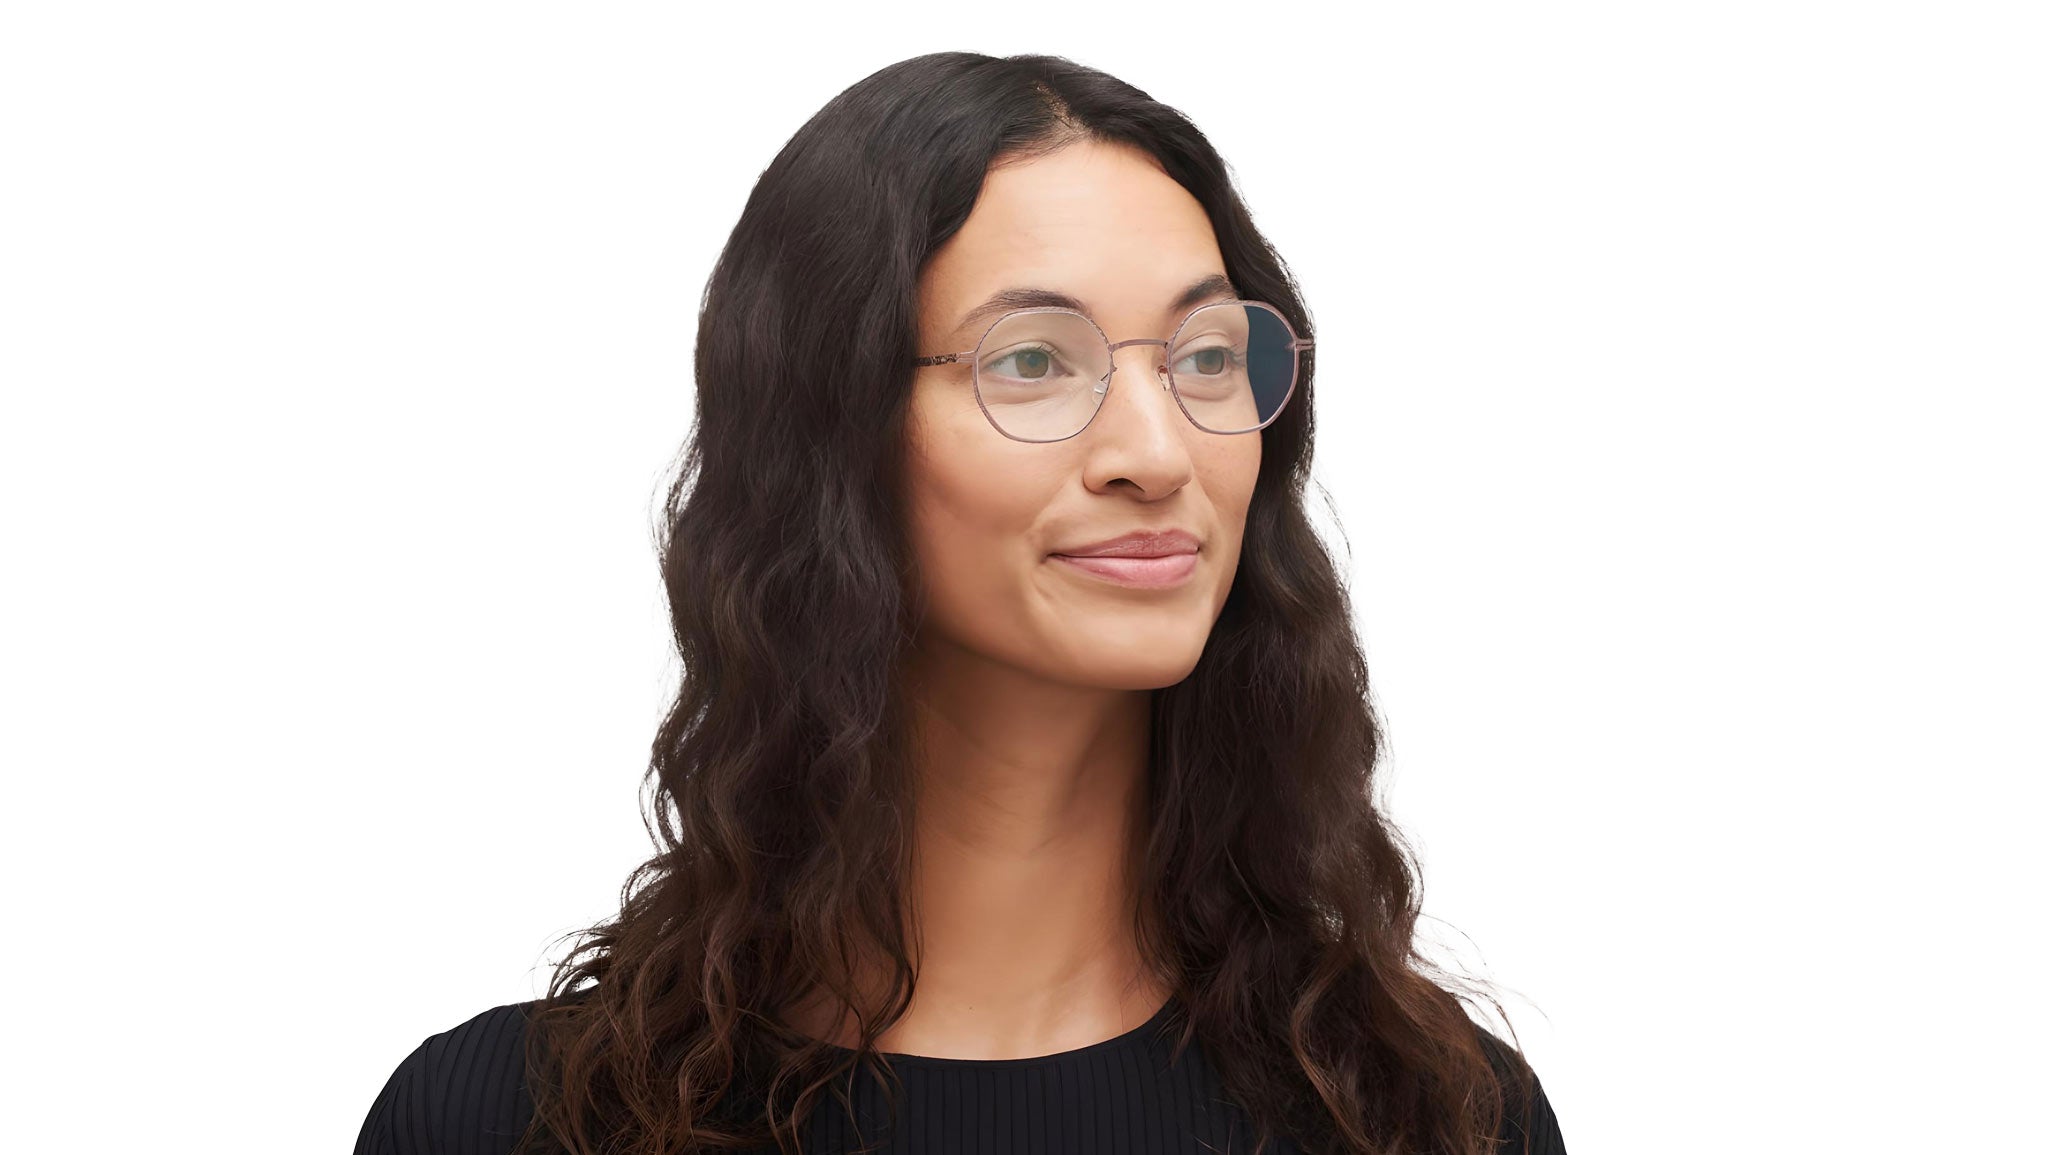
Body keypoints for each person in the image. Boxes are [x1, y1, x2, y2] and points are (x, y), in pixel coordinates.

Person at [354, 50, 1566, 1155]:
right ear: (832, 436)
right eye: (1032, 361)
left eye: (1203, 356)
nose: (1157, 453)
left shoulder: (1433, 1116)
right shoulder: (507, 1124)